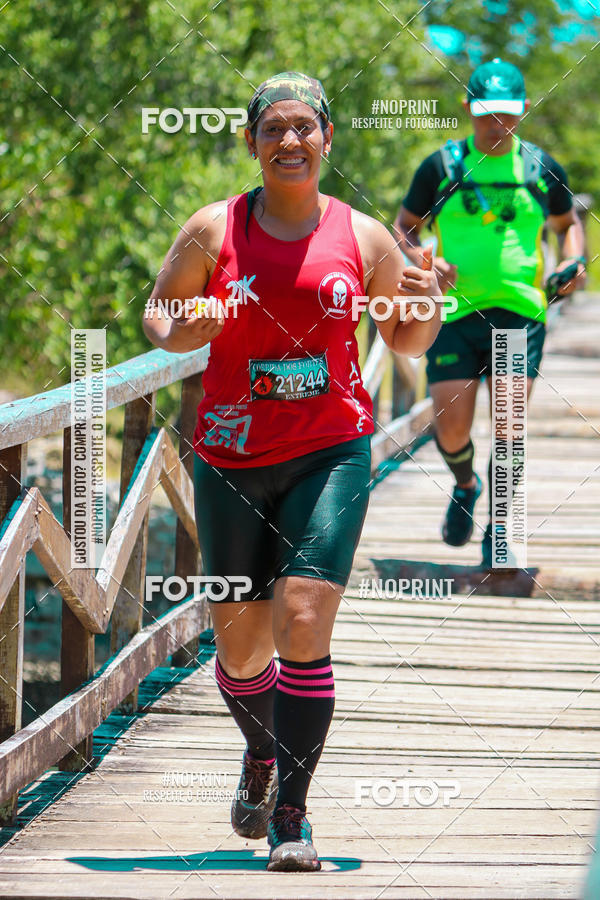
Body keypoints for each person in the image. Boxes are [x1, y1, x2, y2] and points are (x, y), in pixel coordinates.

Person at [142, 72, 441, 871]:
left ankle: (292, 819)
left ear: (327, 139)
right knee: (239, 652)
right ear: (251, 142)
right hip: (233, 454)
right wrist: (186, 325)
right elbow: (158, 316)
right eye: (272, 129)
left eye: (303, 127)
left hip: (331, 450)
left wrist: (431, 301)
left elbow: (406, 341)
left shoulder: (364, 237)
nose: (288, 141)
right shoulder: (214, 228)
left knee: (303, 621)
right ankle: (261, 754)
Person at [394, 58, 586, 568]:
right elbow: (404, 227)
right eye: (485, 114)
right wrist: (426, 260)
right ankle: (465, 483)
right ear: (467, 109)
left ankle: (501, 532)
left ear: (523, 110)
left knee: (507, 423)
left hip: (519, 312)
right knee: (450, 428)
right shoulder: (442, 166)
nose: (496, 123)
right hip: (453, 313)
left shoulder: (540, 168)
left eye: (505, 113)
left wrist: (571, 260)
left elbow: (569, 223)